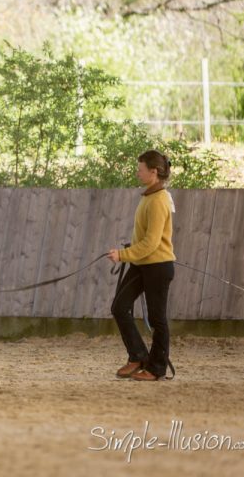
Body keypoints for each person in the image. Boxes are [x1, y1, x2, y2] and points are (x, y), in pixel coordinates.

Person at [108, 150, 176, 381]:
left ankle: (156, 368)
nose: (138, 172)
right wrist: (130, 252)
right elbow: (144, 240)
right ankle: (137, 355)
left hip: (157, 266)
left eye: (141, 169)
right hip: (142, 263)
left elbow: (151, 243)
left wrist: (123, 254)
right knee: (119, 307)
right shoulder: (149, 196)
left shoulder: (158, 201)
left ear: (153, 172)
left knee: (158, 319)